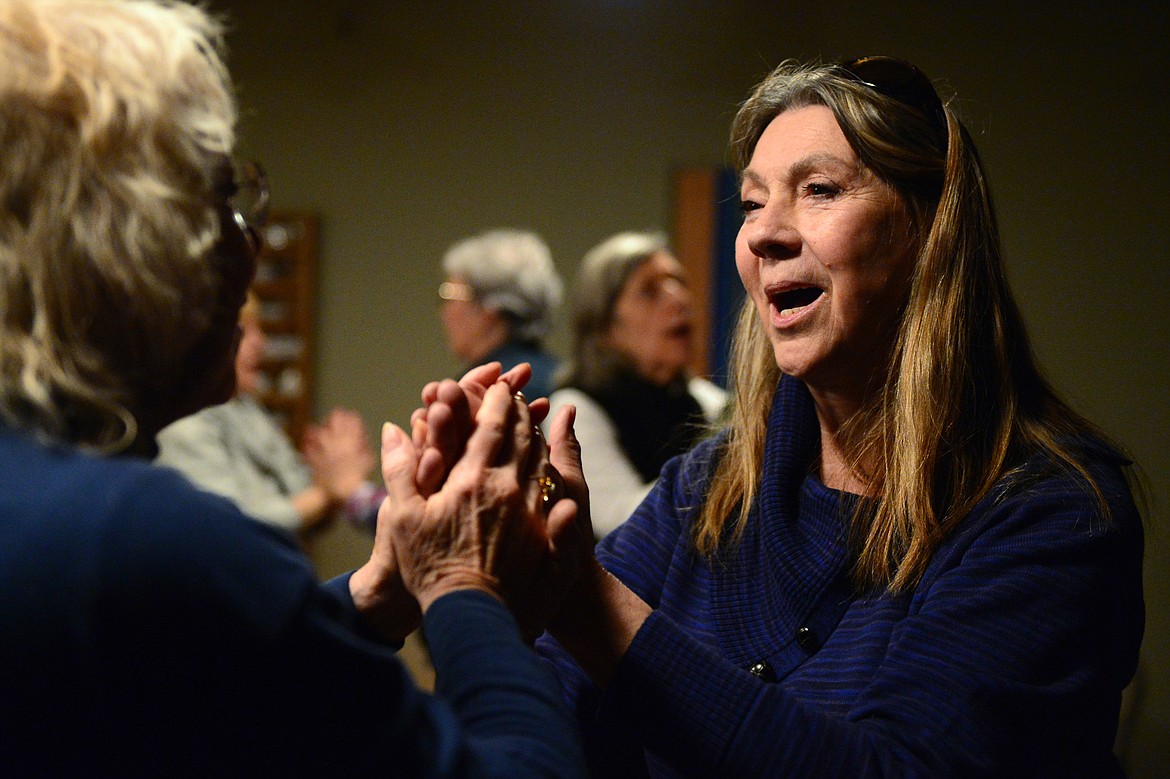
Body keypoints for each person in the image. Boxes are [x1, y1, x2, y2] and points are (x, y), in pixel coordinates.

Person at [419, 57, 1146, 776]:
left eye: (820, 190)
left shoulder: (1054, 512)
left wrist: (585, 605)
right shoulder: (707, 488)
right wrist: (493, 568)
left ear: (931, 231)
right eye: (754, 203)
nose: (764, 233)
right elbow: (543, 716)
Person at [0, 2, 586, 776]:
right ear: (123, 243)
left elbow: (204, 656)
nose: (248, 247)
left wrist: (381, 588)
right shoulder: (136, 536)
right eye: (221, 201)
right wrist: (464, 588)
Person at [547, 231, 726, 537]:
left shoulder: (707, 400)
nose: (679, 299)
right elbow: (617, 518)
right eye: (649, 290)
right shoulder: (576, 410)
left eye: (678, 282)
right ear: (604, 326)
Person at [155, 291, 377, 536]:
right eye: (243, 330)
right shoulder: (180, 420)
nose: (260, 343)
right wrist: (335, 487)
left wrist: (330, 467)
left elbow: (301, 496)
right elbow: (231, 526)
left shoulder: (246, 410)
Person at [439, 228, 563, 399]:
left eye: (451, 296)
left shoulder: (479, 393)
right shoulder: (562, 378)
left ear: (491, 308)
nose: (445, 313)